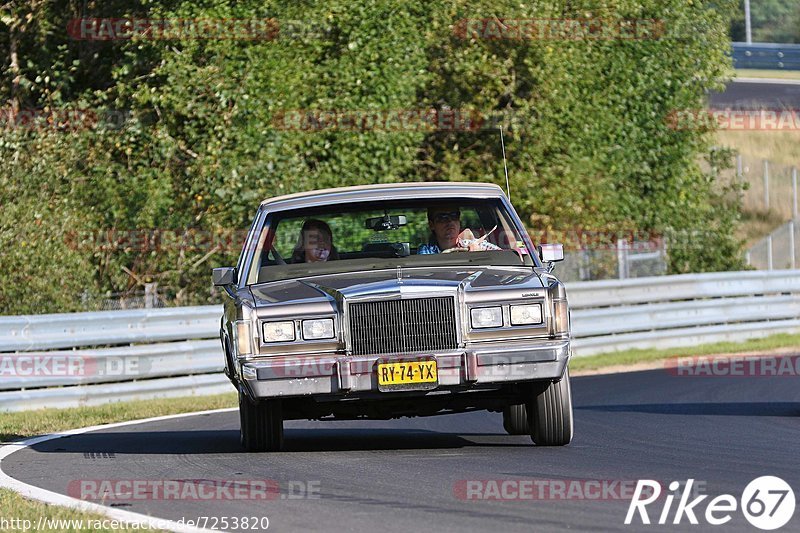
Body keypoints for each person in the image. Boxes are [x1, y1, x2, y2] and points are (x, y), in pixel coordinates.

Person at [418, 206, 501, 254]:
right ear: (432, 225)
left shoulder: (476, 245)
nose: (450, 221)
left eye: (454, 216)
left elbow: (504, 257)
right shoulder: (426, 251)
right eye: (442, 217)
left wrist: (480, 256)